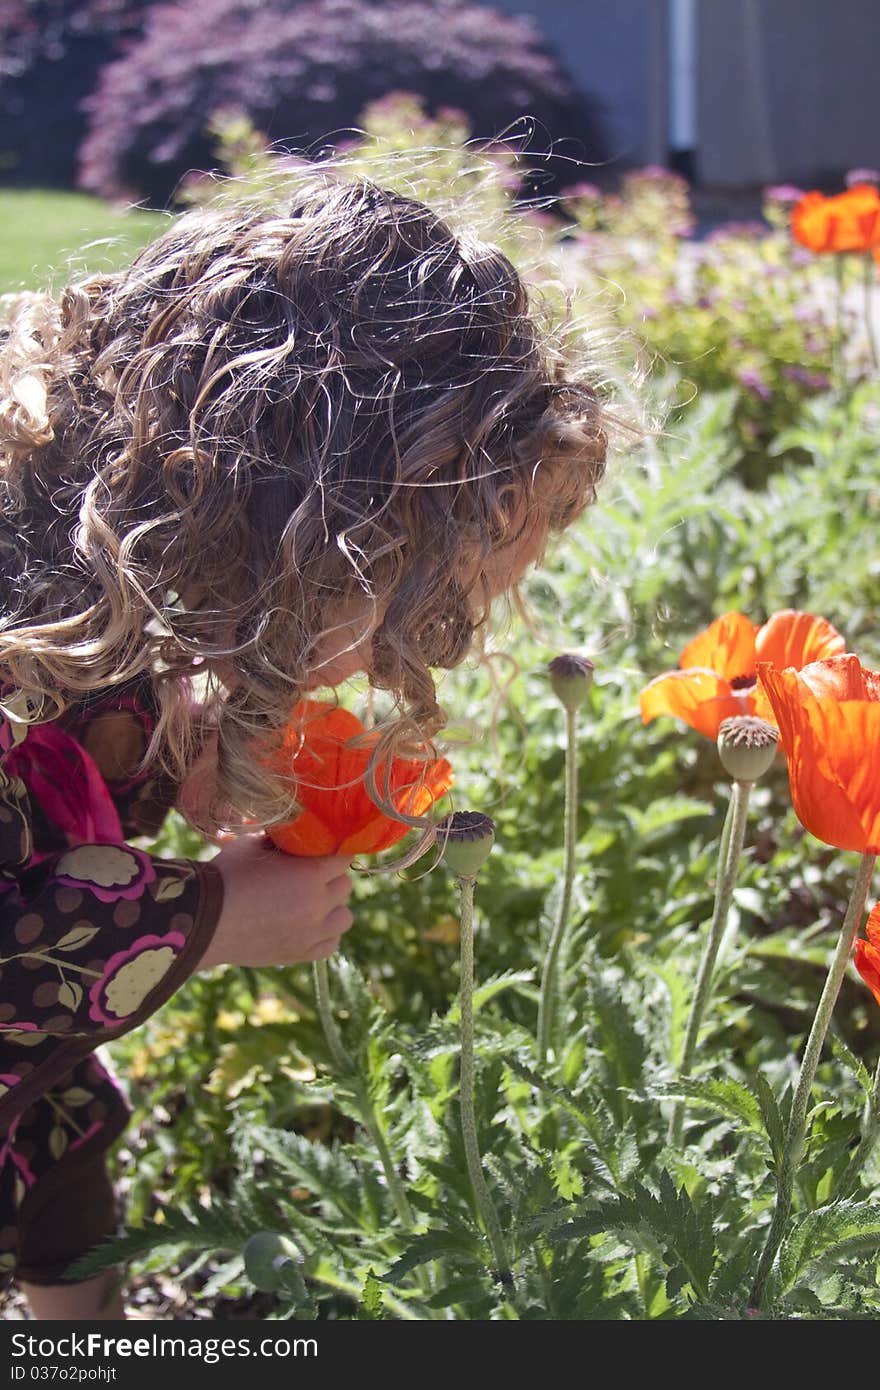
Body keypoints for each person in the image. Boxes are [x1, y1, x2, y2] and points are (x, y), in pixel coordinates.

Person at [0, 170, 608, 1318]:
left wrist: (175, 739)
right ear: (293, 530)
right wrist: (210, 917)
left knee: (61, 1121)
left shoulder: (97, 566)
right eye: (408, 613)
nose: (397, 666)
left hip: (36, 1041)